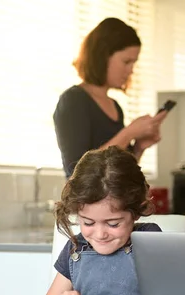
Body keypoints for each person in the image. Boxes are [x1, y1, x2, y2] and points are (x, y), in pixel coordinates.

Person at [40, 146, 162, 295]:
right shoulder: (76, 247)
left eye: (113, 224)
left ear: (137, 211)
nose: (100, 234)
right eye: (88, 222)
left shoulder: (149, 241)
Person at [53, 17, 167, 178]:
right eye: (126, 62)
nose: (130, 70)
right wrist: (129, 133)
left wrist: (139, 147)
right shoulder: (73, 100)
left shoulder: (115, 106)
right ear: (103, 56)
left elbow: (119, 176)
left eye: (133, 63)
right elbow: (79, 173)